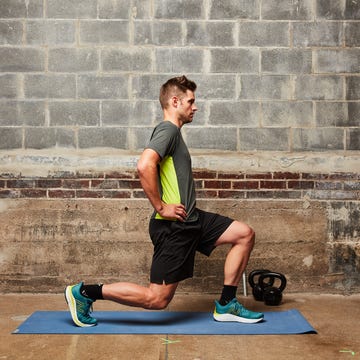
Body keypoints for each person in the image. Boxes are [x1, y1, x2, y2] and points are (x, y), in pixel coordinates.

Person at [65, 75, 263, 327]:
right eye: (191, 101)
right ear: (175, 101)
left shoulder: (174, 133)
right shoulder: (167, 130)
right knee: (156, 299)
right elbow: (144, 164)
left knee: (244, 234)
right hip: (175, 227)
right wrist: (160, 207)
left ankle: (226, 304)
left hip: (192, 219)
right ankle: (83, 293)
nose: (195, 107)